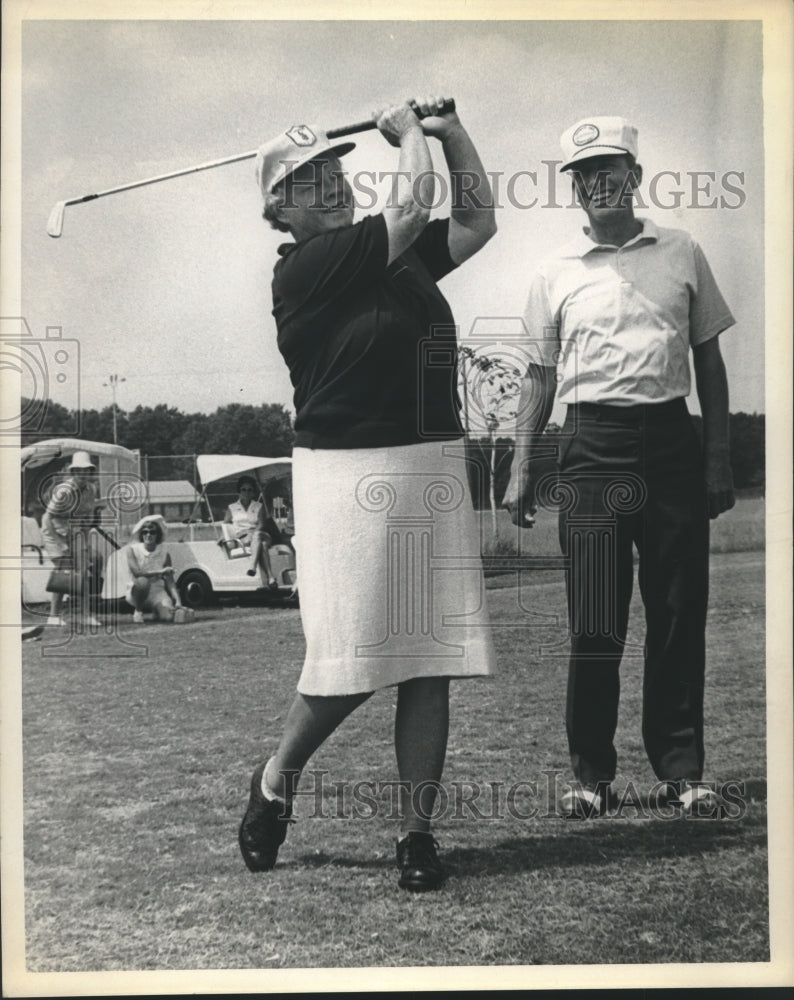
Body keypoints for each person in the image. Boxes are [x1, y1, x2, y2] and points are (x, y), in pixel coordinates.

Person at [238, 95, 497, 891]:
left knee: (429, 661)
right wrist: (407, 134)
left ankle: (417, 834)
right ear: (278, 208)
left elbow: (477, 219)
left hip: (430, 459)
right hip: (346, 474)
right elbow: (413, 201)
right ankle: (277, 779)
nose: (328, 185)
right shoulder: (308, 268)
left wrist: (452, 133)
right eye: (307, 179)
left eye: (332, 170)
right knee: (348, 661)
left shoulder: (399, 256)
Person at [503, 117, 736, 818]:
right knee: (597, 619)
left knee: (675, 610)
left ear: (634, 177)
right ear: (573, 189)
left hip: (670, 441)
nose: (598, 184)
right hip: (590, 449)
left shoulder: (682, 251)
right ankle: (590, 776)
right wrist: (521, 465)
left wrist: (716, 459)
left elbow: (709, 363)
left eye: (611, 170)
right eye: (583, 175)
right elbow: (539, 380)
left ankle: (682, 769)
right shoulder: (554, 274)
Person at [40, 450, 102, 627]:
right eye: (79, 470)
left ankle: (86, 615)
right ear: (73, 472)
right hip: (54, 534)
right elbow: (47, 517)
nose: (83, 474)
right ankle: (53, 615)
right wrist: (60, 543)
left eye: (87, 470)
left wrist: (85, 541)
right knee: (65, 572)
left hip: (75, 533)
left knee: (82, 574)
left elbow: (87, 518)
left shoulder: (91, 489)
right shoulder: (64, 491)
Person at [126, 515, 183, 623]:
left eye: (152, 532)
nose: (148, 535)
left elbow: (170, 581)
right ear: (141, 534)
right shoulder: (132, 550)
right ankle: (138, 611)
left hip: (157, 592)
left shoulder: (164, 553)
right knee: (143, 581)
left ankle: (156, 611)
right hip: (137, 592)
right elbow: (137, 573)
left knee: (168, 617)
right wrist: (160, 571)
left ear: (158, 535)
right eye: (145, 532)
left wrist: (178, 601)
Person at [224, 476, 278, 588]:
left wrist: (252, 534)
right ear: (239, 491)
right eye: (244, 489)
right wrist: (224, 537)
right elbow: (226, 525)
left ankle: (252, 566)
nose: (246, 492)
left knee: (257, 536)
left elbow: (262, 524)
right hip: (243, 537)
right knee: (261, 546)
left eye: (250, 490)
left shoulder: (258, 506)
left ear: (253, 492)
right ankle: (271, 578)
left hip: (261, 534)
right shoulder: (232, 507)